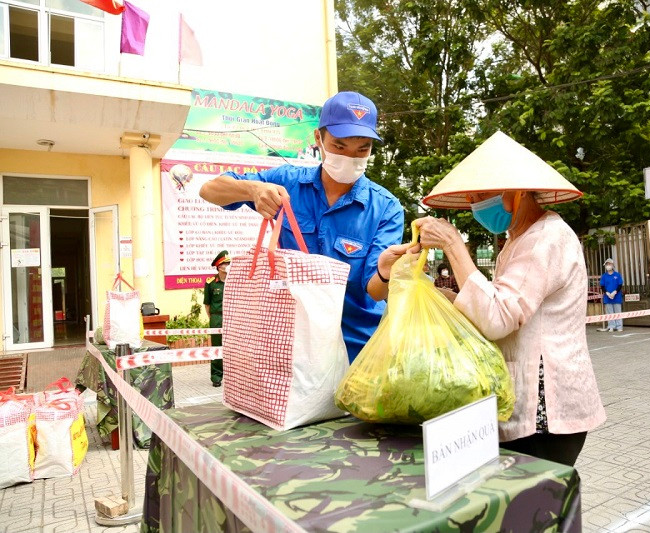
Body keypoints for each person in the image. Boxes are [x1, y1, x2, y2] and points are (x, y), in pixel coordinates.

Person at [413, 131, 606, 466]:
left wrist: (454, 246)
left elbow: (498, 318)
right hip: (529, 404)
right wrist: (434, 293)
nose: (474, 202)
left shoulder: (545, 239)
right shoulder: (519, 240)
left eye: (481, 193)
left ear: (515, 192)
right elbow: (497, 302)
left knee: (536, 506)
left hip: (546, 412)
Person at [199, 91, 411, 363]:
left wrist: (384, 272)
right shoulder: (287, 182)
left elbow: (375, 291)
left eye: (363, 149)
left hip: (356, 349)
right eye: (339, 146)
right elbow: (209, 190)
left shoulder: (385, 207)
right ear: (318, 139)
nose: (350, 157)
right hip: (293, 346)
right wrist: (253, 189)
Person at [204, 250, 230, 387]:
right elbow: (207, 304)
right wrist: (213, 318)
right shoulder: (211, 283)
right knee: (216, 347)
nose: (228, 265)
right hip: (217, 318)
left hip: (232, 318)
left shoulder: (233, 282)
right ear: (219, 266)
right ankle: (216, 376)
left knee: (232, 347)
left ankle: (232, 376)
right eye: (226, 264)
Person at [598, 258, 624, 332]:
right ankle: (611, 326)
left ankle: (619, 326)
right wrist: (606, 292)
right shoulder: (604, 276)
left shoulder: (617, 275)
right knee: (610, 313)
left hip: (617, 297)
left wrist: (615, 292)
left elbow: (620, 284)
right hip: (607, 297)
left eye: (609, 264)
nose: (608, 266)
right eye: (607, 264)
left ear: (612, 265)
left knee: (618, 312)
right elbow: (602, 286)